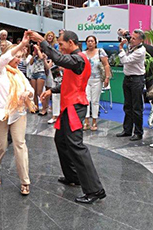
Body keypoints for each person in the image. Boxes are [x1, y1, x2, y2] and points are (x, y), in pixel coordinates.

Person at [29, 30, 106, 204]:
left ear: (71, 43)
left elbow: (59, 59)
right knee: (61, 140)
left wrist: (42, 41)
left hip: (74, 107)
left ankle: (95, 190)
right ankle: (73, 176)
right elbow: (68, 83)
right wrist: (51, 90)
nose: (61, 48)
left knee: (76, 145)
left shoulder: (78, 58)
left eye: (62, 44)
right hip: (69, 106)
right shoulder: (76, 59)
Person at [0, 33, 35, 196]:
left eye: (21, 57)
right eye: (17, 56)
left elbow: (30, 89)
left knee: (20, 144)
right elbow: (5, 57)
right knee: (0, 146)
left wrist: (27, 95)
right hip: (0, 113)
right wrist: (22, 44)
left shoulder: (19, 74)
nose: (19, 60)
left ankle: (25, 181)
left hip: (18, 113)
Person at [116, 29, 146, 141]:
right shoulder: (132, 44)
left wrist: (120, 48)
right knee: (127, 106)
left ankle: (138, 132)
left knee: (137, 107)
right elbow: (121, 33)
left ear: (140, 40)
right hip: (127, 79)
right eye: (131, 37)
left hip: (137, 80)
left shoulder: (140, 51)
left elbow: (125, 60)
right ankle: (127, 130)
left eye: (134, 38)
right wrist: (124, 32)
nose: (131, 40)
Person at [83, 35, 111, 131]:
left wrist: (107, 78)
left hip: (97, 80)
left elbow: (106, 65)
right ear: (86, 43)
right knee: (86, 100)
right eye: (88, 41)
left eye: (92, 41)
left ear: (95, 43)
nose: (90, 43)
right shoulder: (83, 53)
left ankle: (94, 121)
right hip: (86, 80)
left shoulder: (100, 52)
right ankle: (86, 121)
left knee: (95, 101)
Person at [29, 44, 50, 115]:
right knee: (34, 92)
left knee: (39, 92)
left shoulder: (43, 54)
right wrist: (34, 55)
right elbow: (31, 63)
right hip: (33, 73)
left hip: (40, 73)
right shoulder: (35, 54)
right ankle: (36, 107)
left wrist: (38, 50)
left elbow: (41, 58)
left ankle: (44, 108)